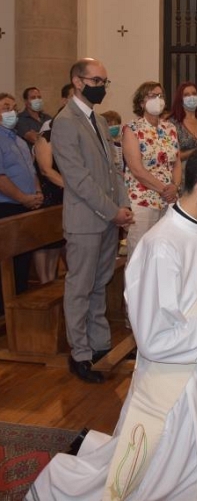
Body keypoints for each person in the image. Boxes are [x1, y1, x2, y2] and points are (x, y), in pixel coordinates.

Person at [26, 144, 197, 501]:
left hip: (194, 371)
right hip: (169, 385)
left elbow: (195, 300)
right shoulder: (162, 245)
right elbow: (155, 339)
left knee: (194, 463)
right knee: (145, 476)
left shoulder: (196, 232)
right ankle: (58, 487)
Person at [52, 57, 134, 384]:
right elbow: (78, 179)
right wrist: (111, 210)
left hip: (107, 219)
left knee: (100, 285)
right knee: (80, 288)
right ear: (77, 81)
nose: (101, 87)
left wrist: (123, 205)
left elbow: (114, 171)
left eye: (104, 82)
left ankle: (100, 345)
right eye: (96, 81)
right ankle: (80, 354)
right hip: (86, 220)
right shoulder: (65, 122)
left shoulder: (98, 121)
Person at [122, 81, 181, 262]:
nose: (158, 99)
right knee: (140, 255)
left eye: (160, 95)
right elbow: (137, 169)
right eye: (152, 96)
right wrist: (165, 189)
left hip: (168, 199)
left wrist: (175, 186)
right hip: (142, 200)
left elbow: (176, 162)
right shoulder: (132, 129)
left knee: (163, 254)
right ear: (141, 103)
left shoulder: (169, 128)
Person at [0, 92, 44, 312]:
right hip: (6, 207)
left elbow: (31, 170)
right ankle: (4, 313)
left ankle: (19, 311)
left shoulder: (18, 139)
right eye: (6, 108)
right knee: (6, 266)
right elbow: (1, 178)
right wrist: (23, 198)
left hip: (25, 206)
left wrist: (36, 193)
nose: (11, 112)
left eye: (13, 107)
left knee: (22, 262)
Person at [32, 107, 66, 284]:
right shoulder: (46, 137)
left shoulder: (66, 137)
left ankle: (51, 278)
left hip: (62, 195)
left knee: (56, 241)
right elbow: (46, 170)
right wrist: (72, 188)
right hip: (49, 193)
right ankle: (44, 281)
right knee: (44, 242)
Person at [169, 80, 197, 162]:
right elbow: (172, 155)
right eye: (186, 95)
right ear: (180, 99)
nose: (191, 97)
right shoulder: (172, 123)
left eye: (194, 94)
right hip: (182, 171)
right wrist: (196, 151)